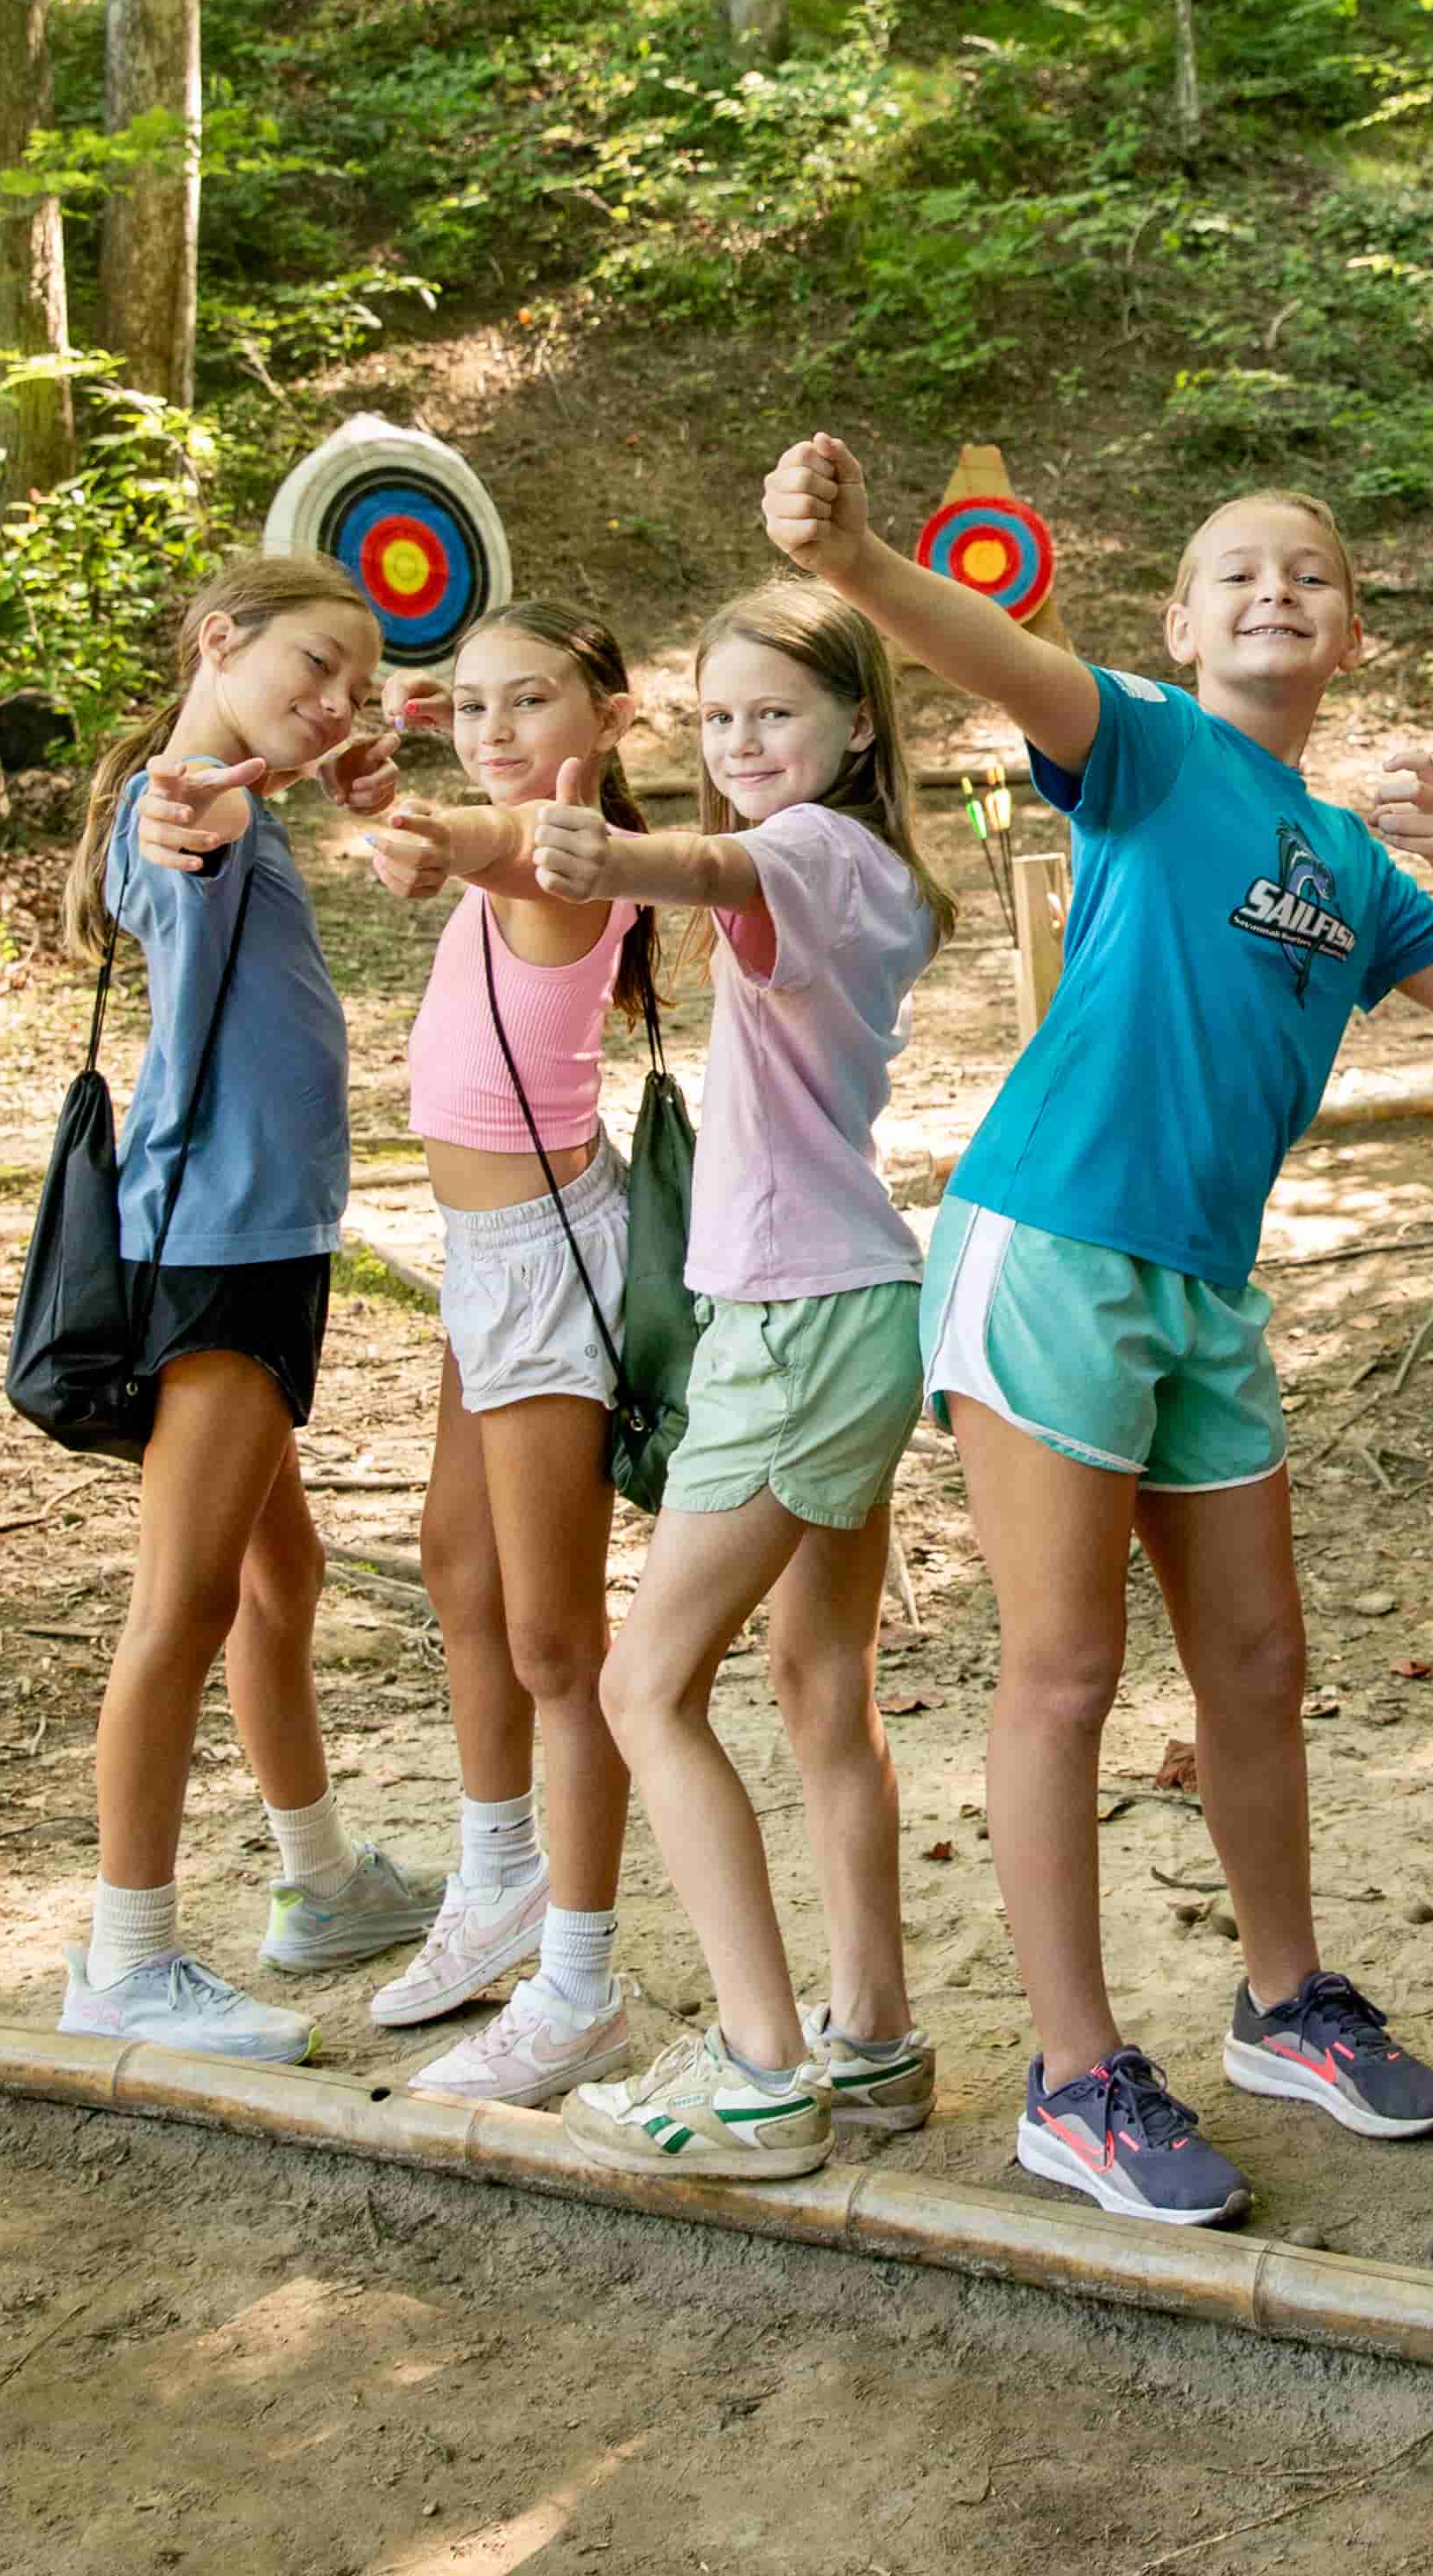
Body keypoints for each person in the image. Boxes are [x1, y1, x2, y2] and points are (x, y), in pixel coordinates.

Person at [766, 436, 1433, 2227]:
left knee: (1257, 1664)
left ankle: (1286, 2003)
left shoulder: (1353, 859)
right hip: (1050, 1239)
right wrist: (865, 557)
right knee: (1062, 1667)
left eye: (1313, 574)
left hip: (1203, 1283)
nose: (1278, 590)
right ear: (1185, 624)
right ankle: (1072, 2078)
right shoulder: (1144, 744)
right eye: (1239, 572)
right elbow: (993, 657)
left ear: (1351, 634)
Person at [542, 586, 961, 2175]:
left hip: (795, 1327)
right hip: (839, 1303)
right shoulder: (866, 870)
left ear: (859, 726)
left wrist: (616, 853)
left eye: (774, 714)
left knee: (644, 1688)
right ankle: (874, 2043)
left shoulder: (809, 854)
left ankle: (763, 2069)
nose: (740, 745)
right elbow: (713, 860)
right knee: (817, 1689)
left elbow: (711, 863)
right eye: (716, 720)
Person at [54, 552, 431, 2063]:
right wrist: (204, 801)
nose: (332, 701)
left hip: (260, 1237)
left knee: (283, 1581)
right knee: (184, 1609)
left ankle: (324, 1884)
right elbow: (174, 825)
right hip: (215, 1247)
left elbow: (232, 797)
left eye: (355, 682)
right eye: (312, 668)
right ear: (222, 639)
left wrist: (322, 776)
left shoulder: (238, 791)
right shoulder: (189, 801)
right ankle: (125, 1963)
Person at [337, 605, 660, 2105]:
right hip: (488, 1258)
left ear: (608, 717)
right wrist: (391, 767)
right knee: (457, 1568)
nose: (497, 731)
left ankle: (583, 1978)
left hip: (547, 1265)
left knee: (556, 1641)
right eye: (471, 706)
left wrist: (425, 821)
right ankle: (496, 1879)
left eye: (530, 703)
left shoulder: (565, 856)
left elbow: (483, 845)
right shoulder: (512, 825)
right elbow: (457, 818)